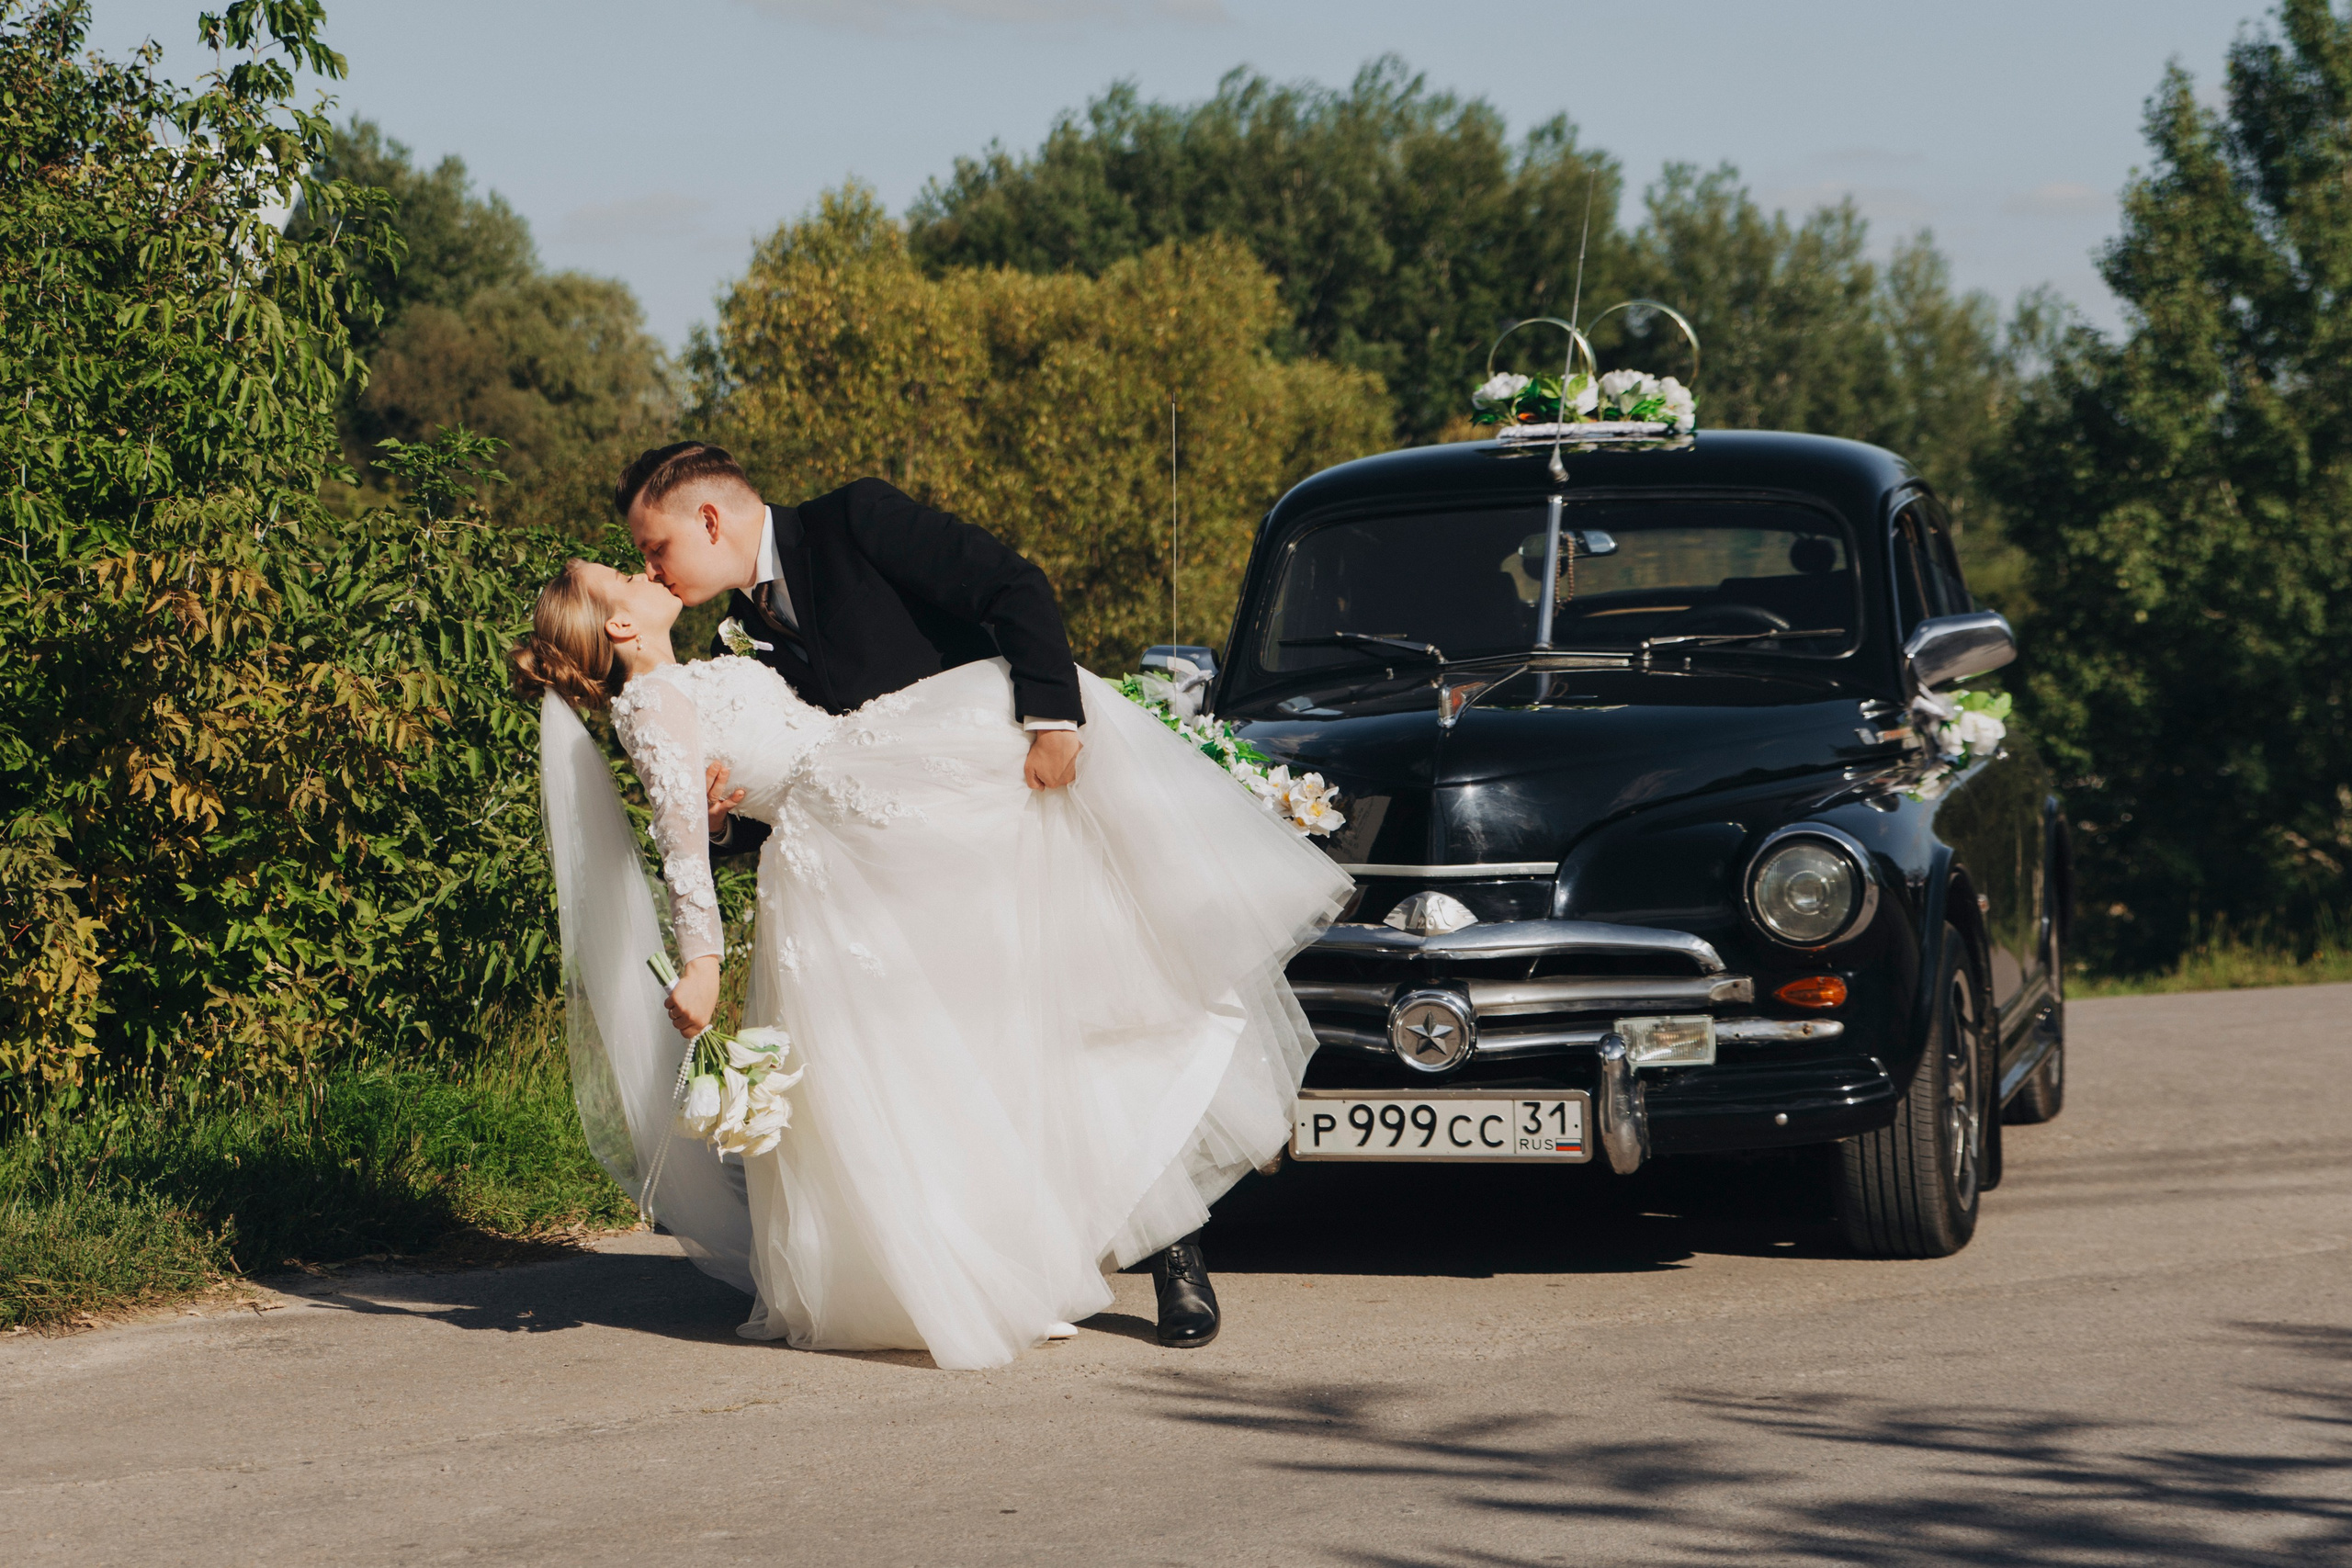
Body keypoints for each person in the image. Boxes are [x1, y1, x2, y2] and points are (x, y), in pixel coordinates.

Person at [509, 456, 1346, 1370]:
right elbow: (792, 776)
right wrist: (723, 819)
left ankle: (1173, 1253)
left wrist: (1054, 721)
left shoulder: (854, 520)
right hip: (885, 876)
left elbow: (1007, 585)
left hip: (998, 805)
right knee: (977, 1063)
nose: (654, 567)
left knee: (1090, 1015)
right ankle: (1008, 1261)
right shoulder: (735, 636)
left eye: (654, 546)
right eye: (638, 562)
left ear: (709, 519)